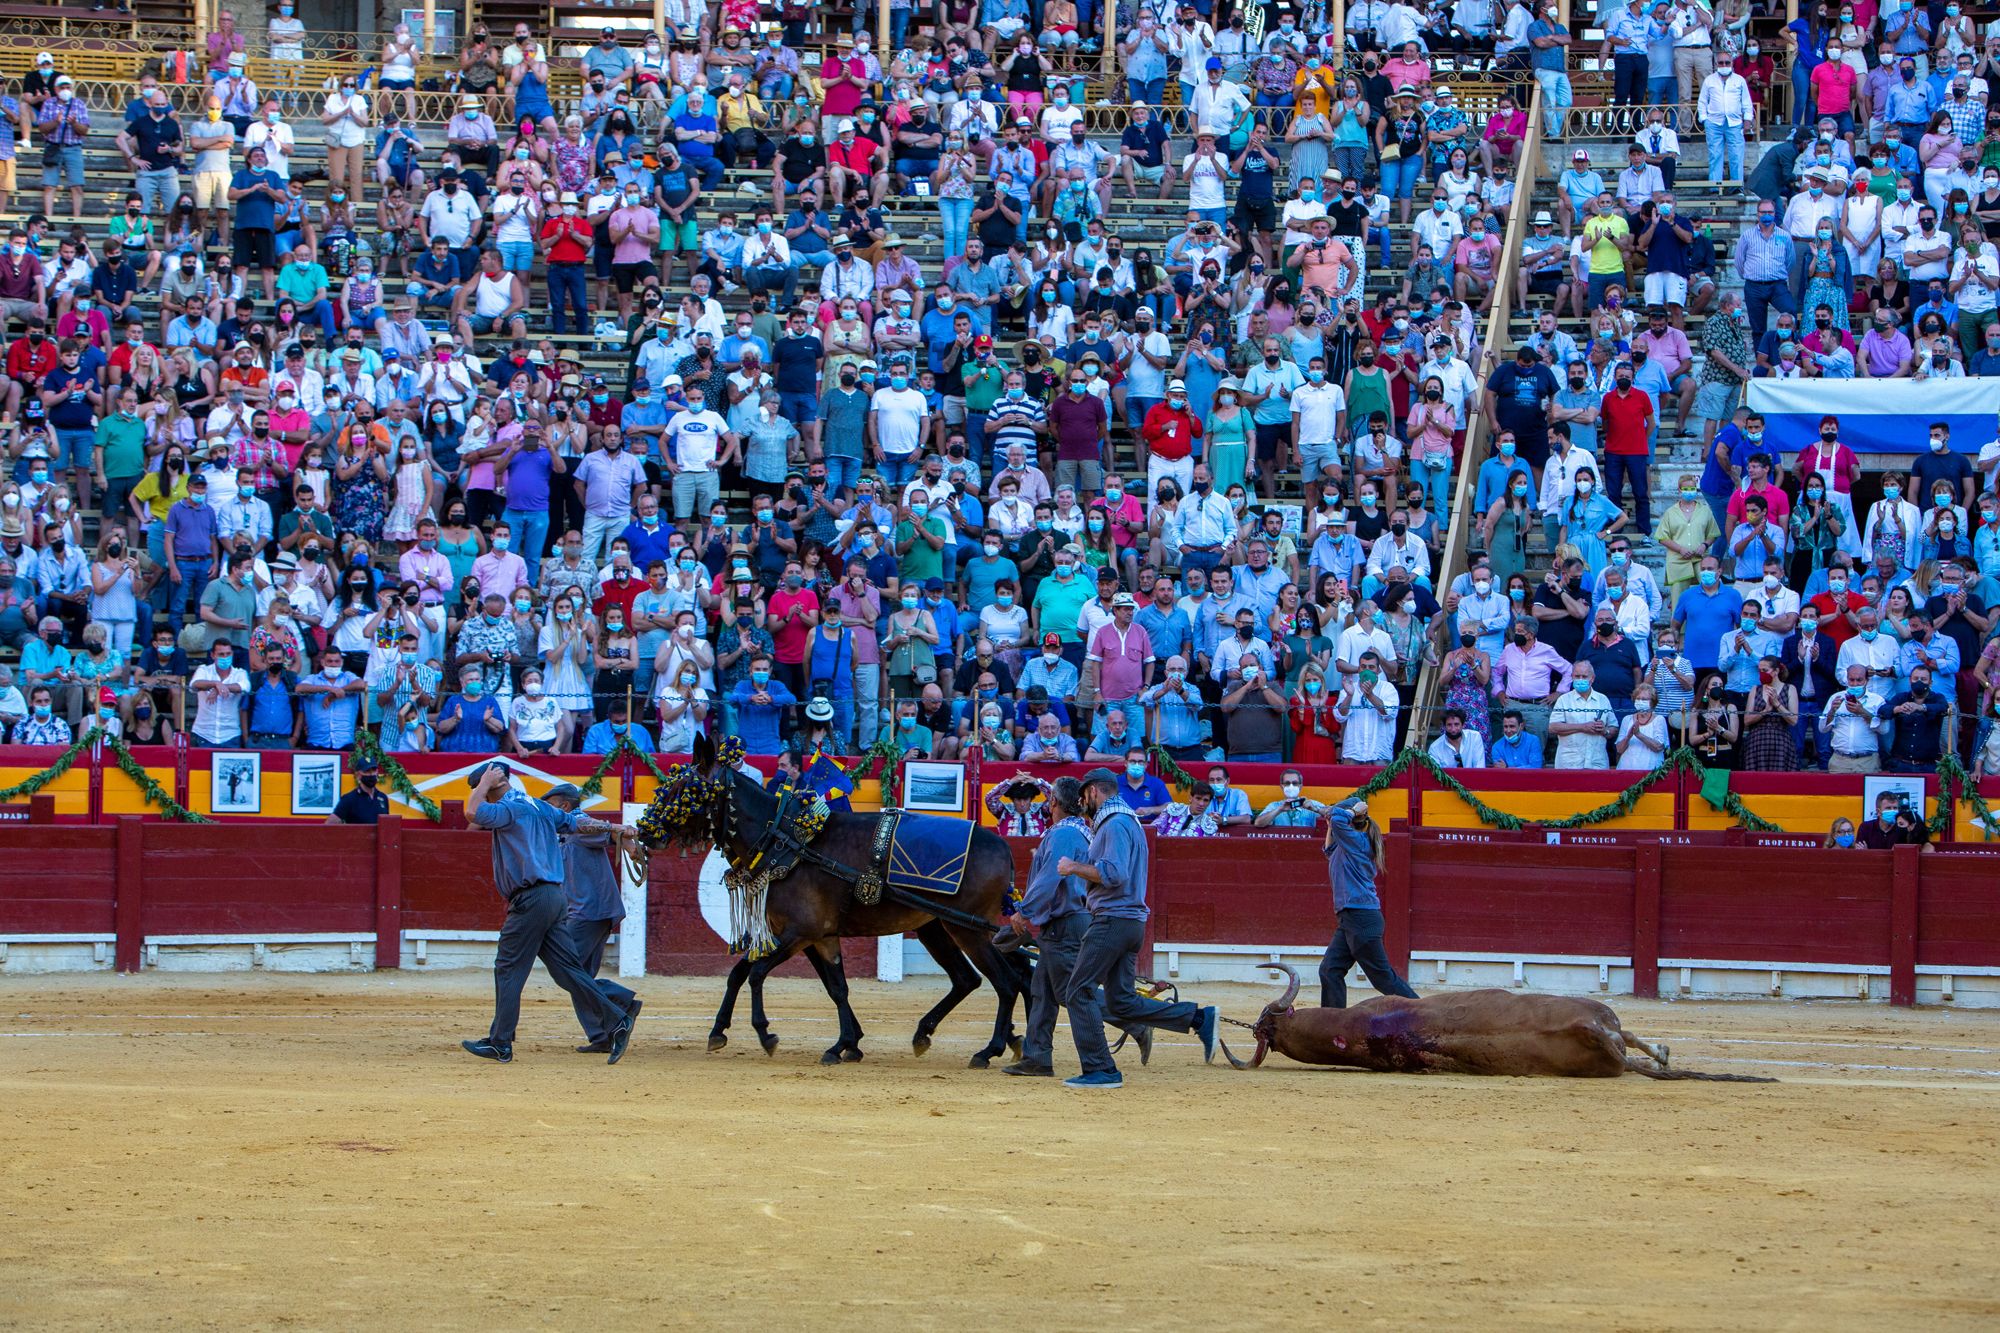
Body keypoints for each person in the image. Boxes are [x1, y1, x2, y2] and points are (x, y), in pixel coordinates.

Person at [460, 761, 640, 1064]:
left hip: (531, 899)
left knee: (508, 967)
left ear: (492, 787)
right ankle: (617, 1018)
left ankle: (500, 1042)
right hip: (555, 898)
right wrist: (616, 828)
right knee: (567, 970)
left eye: (484, 790)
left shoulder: (507, 807)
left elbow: (472, 813)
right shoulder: (537, 807)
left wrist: (484, 785)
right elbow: (577, 823)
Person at [1053, 768, 1218, 1089]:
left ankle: (1101, 1069)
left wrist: (1073, 867)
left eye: (1083, 795)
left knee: (1076, 991)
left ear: (1093, 792)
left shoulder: (1113, 825)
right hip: (1129, 922)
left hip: (1112, 920)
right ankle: (1198, 1018)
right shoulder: (1124, 821)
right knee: (1121, 1002)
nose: (1080, 802)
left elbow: (1112, 874)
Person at [1002, 776, 1149, 1078]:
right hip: (1065, 921)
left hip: (1067, 922)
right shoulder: (1075, 831)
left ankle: (1133, 1022)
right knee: (1041, 990)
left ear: (1054, 802)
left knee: (1073, 991)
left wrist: (1024, 911)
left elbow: (1049, 880)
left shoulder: (1065, 834)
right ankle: (1036, 1057)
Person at [544, 781, 641, 1054]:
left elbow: (603, 831)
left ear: (564, 805)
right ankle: (601, 1036)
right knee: (580, 975)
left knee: (566, 969)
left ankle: (621, 1001)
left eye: (551, 804)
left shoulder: (578, 822)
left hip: (590, 911)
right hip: (586, 910)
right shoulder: (563, 830)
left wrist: (627, 840)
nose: (547, 810)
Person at [1317, 796, 1420, 1009]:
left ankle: (1422, 1012)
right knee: (1330, 969)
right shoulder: (1346, 846)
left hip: (1361, 918)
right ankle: (1332, 1023)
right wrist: (1330, 823)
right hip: (1351, 918)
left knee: (1383, 978)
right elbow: (1328, 850)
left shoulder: (1357, 842)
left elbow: (1338, 820)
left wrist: (1346, 813)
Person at [326, 753, 389, 824]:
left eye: (373, 770)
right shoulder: (349, 799)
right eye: (367, 771)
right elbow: (329, 825)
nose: (371, 774)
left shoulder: (383, 797)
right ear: (358, 775)